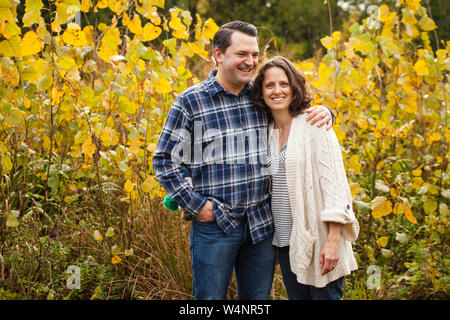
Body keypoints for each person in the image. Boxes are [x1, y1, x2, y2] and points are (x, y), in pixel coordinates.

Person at [152, 21, 334, 300]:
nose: (250, 62)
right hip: (215, 227)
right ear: (219, 54)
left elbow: (295, 115)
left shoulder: (260, 96)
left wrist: (327, 112)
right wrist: (198, 206)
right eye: (241, 54)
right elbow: (164, 161)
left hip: (260, 226)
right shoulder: (191, 102)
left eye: (254, 54)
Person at [250, 56, 359, 300]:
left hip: (321, 240)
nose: (277, 91)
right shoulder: (264, 130)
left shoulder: (314, 124)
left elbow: (336, 187)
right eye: (269, 85)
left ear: (294, 87)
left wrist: (332, 241)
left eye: (284, 84)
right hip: (287, 242)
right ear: (261, 91)